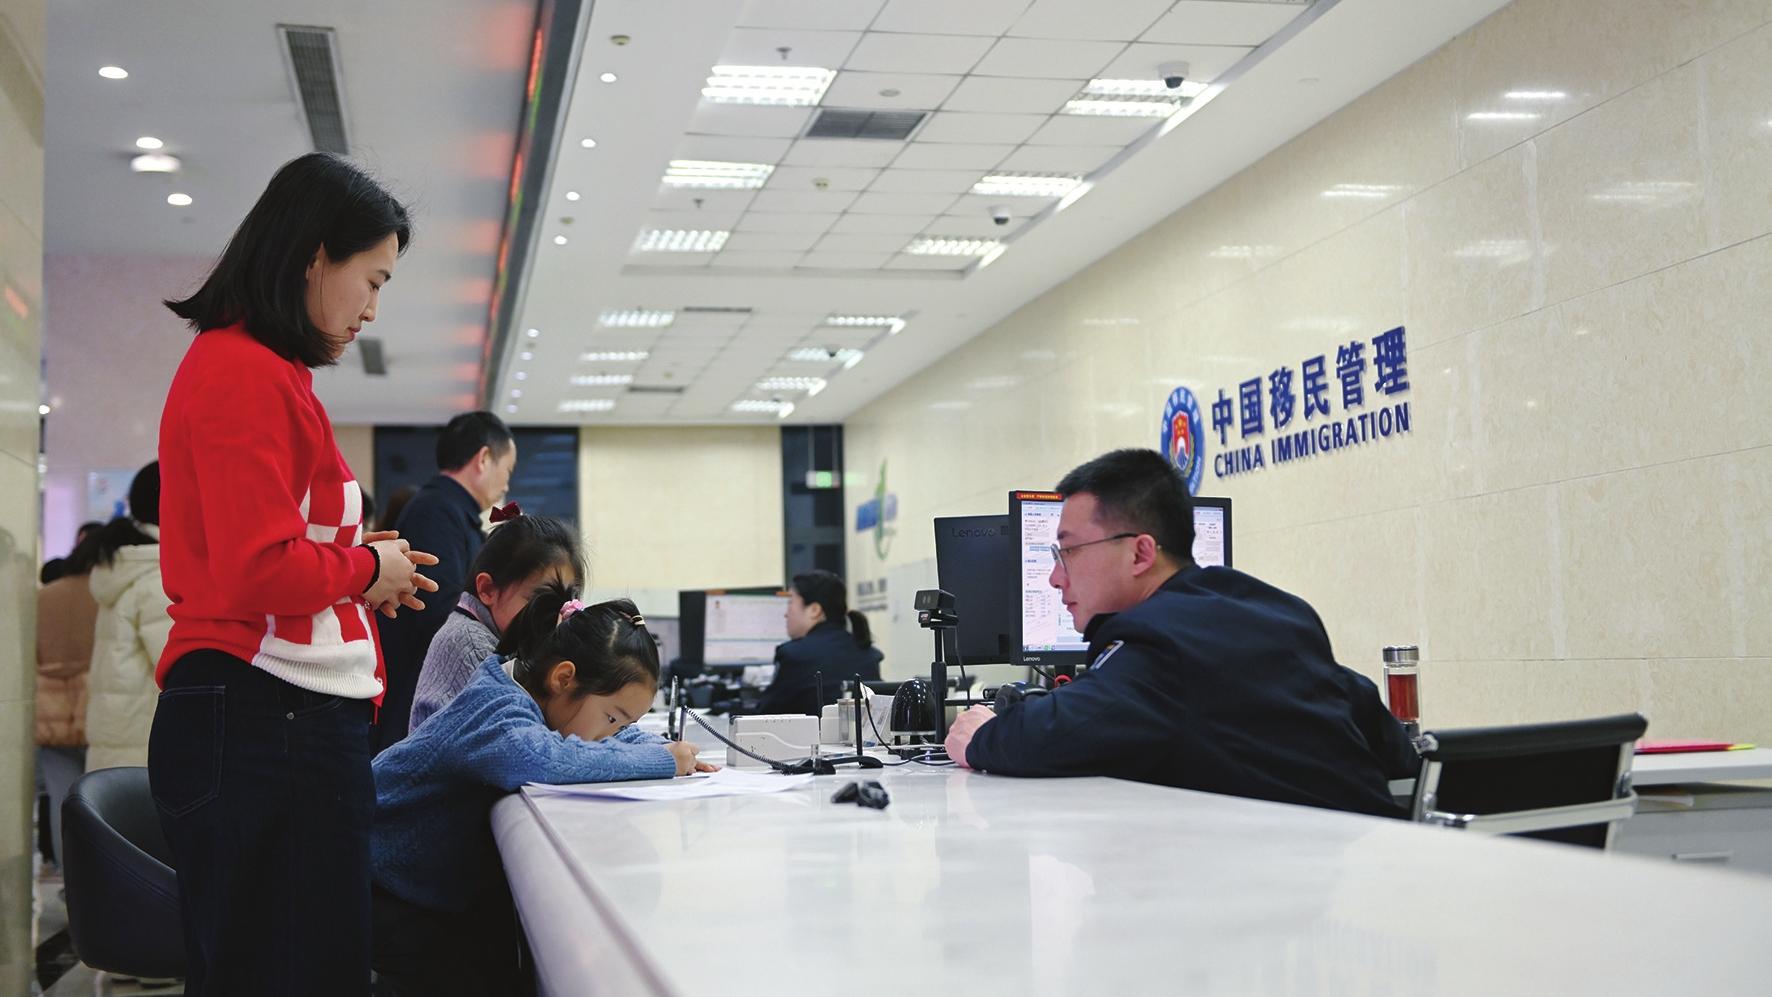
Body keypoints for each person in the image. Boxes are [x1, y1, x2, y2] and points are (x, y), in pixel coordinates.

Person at [150, 151, 438, 997]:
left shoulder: (264, 369)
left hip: (270, 717)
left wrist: (363, 566)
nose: (372, 309)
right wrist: (364, 566)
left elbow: (267, 545)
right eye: (372, 280)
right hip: (265, 717)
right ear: (316, 255)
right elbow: (256, 568)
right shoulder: (244, 368)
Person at [944, 449, 1417, 818]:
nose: (1054, 578)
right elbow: (1384, 735)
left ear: (1140, 553)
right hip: (1373, 860)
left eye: (1068, 552)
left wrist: (984, 734)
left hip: (1299, 880)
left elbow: (1055, 732)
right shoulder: (1278, 611)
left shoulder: (1157, 642)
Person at [371, 588, 711, 995]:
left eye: (622, 724)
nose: (613, 732)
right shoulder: (497, 710)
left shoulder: (528, 691)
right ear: (564, 678)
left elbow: (603, 737)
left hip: (419, 891)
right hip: (383, 889)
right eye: (612, 717)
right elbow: (540, 758)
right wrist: (662, 761)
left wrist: (661, 748)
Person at [373, 411, 517, 752]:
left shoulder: (449, 511)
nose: (507, 484)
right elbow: (440, 610)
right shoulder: (436, 511)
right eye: (508, 470)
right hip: (415, 699)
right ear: (484, 458)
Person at [409, 513, 584, 732]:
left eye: (565, 602)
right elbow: (521, 738)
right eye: (540, 600)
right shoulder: (471, 644)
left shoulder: (508, 639)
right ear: (487, 589)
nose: (556, 615)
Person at [84, 463, 173, 772]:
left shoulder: (132, 566)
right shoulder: (159, 577)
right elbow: (180, 672)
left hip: (123, 745)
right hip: (146, 751)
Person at [35, 531, 101, 865]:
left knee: (61, 799)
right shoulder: (104, 597)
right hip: (97, 708)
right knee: (102, 802)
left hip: (50, 712)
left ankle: (68, 880)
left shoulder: (43, 598)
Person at [755, 570, 882, 716]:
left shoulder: (794, 655)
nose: (786, 614)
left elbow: (764, 714)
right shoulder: (869, 654)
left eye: (790, 603)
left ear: (814, 610)